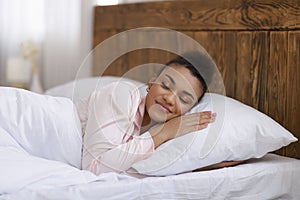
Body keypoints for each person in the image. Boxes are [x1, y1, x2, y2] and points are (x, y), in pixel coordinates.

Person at [76, 52, 240, 175]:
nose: (169, 99)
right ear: (152, 82)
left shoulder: (163, 135)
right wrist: (162, 134)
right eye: (166, 85)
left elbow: (142, 166)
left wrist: (197, 166)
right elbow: (93, 168)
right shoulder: (121, 94)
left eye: (183, 99)